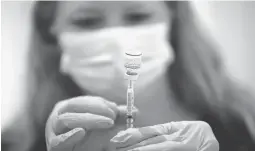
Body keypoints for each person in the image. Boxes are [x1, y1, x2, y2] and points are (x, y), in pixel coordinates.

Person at [2, 1, 255, 151]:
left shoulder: (243, 125)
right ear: (51, 36)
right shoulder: (15, 144)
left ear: (174, 21)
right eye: (87, 21)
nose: (118, 40)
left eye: (138, 16)